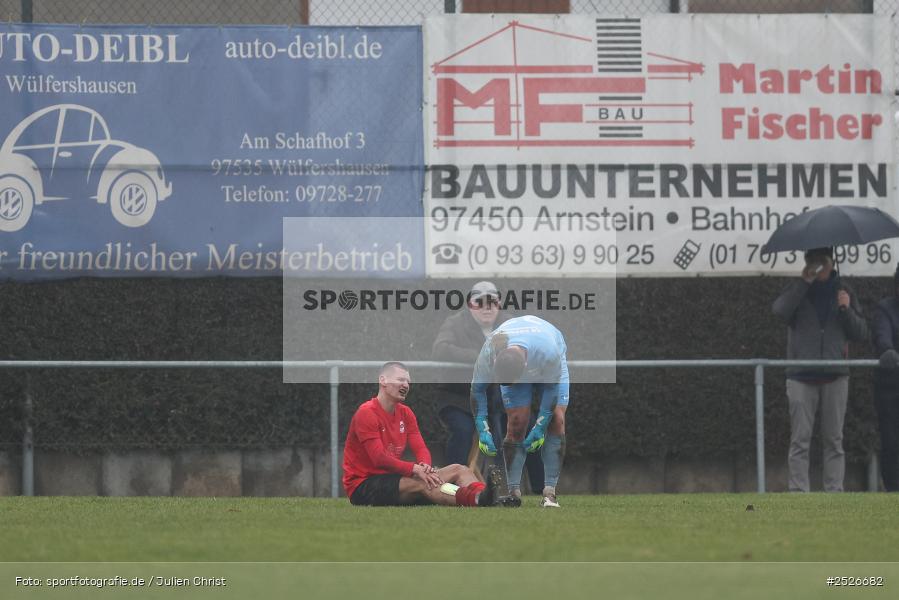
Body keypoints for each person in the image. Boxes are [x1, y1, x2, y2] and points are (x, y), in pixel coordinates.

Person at [431, 282, 545, 493]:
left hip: (502, 401)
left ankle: (543, 491)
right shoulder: (454, 323)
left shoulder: (511, 322)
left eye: (491, 301)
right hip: (459, 399)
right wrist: (483, 357)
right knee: (463, 431)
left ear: (499, 304)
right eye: (479, 302)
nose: (486, 307)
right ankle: (449, 490)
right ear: (470, 304)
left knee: (530, 431)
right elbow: (440, 349)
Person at [342, 361, 505, 507]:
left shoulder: (406, 413)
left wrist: (425, 467)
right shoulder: (366, 413)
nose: (406, 385)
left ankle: (488, 496)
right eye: (400, 380)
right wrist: (415, 469)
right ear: (383, 380)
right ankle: (476, 499)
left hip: (394, 480)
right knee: (423, 483)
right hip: (363, 486)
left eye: (408, 382)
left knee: (459, 469)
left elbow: (420, 448)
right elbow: (378, 458)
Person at [772, 247, 868, 492]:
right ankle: (798, 493)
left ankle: (834, 492)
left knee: (834, 441)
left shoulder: (845, 290)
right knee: (799, 441)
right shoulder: (797, 289)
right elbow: (780, 311)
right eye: (812, 261)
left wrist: (846, 309)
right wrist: (803, 283)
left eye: (822, 262)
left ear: (832, 262)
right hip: (800, 376)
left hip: (836, 376)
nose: (817, 267)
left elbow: (861, 333)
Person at [471, 315, 569, 508]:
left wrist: (540, 426)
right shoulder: (490, 350)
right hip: (518, 356)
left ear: (524, 368)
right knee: (516, 423)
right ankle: (513, 493)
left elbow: (550, 390)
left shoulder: (549, 352)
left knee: (556, 419)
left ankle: (550, 493)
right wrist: (482, 428)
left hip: (547, 358)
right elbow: (477, 389)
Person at [871, 263, 899, 491]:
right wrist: (888, 350)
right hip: (891, 387)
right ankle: (893, 489)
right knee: (891, 441)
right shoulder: (885, 308)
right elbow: (882, 337)